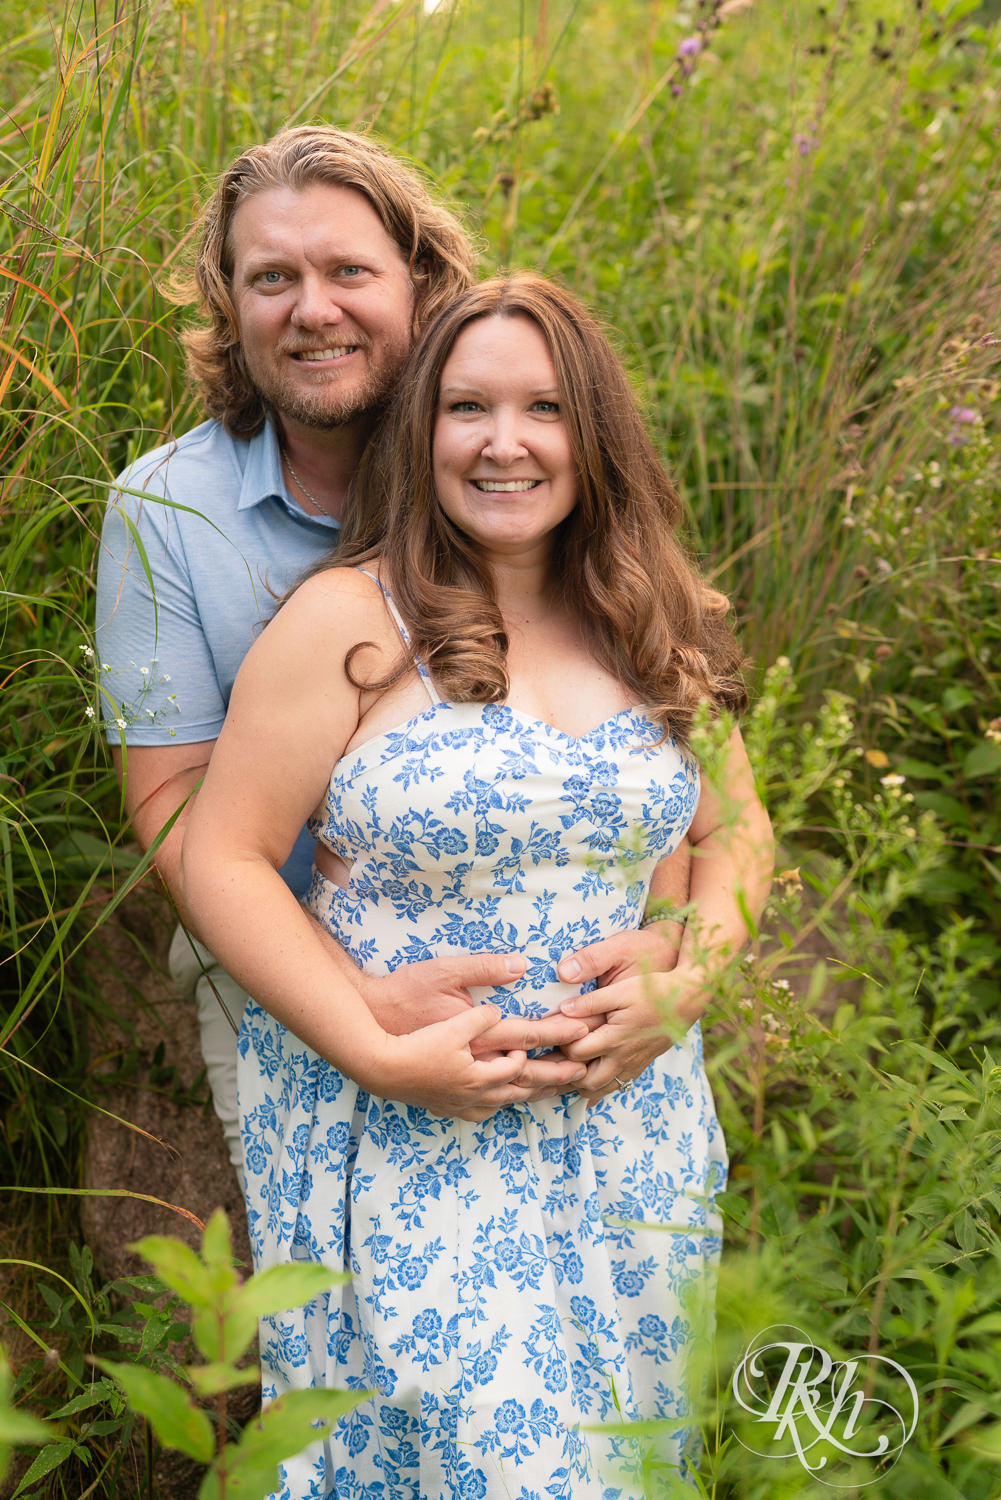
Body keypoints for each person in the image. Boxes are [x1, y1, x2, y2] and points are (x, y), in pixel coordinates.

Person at [180, 273, 774, 1497]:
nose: (504, 443)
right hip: (413, 1132)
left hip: (630, 1139)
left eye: (543, 408)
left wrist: (687, 974)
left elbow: (739, 835)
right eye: (466, 409)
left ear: (591, 434)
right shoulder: (349, 623)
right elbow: (221, 856)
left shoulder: (652, 618)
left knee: (622, 1467)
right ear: (421, 431)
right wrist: (373, 1049)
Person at [96, 127, 652, 1172]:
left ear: (422, 280)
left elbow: (662, 745)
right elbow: (170, 797)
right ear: (227, 303)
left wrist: (671, 949)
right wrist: (353, 1000)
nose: (313, 310)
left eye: (349, 270)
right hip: (276, 961)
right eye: (270, 279)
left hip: (547, 958)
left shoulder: (506, 467)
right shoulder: (163, 511)